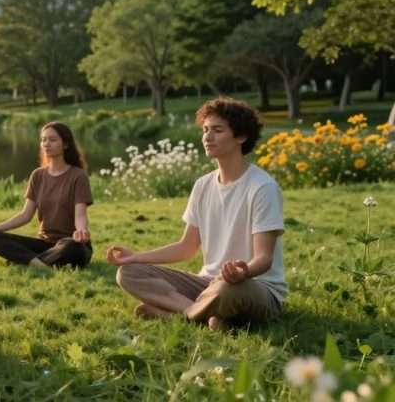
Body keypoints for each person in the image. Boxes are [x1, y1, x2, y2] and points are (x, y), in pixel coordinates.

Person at [107, 97, 287, 330]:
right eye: (205, 130)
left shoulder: (262, 187)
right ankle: (203, 316)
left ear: (241, 137)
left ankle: (185, 314)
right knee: (129, 274)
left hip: (253, 287)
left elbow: (264, 258)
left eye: (217, 130)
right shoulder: (203, 185)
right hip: (207, 284)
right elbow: (186, 248)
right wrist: (134, 258)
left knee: (226, 290)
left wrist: (243, 272)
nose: (207, 137)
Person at [0, 122, 94, 269]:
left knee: (72, 247)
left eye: (52, 140)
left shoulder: (78, 176)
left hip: (70, 243)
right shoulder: (38, 175)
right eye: (43, 139)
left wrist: (82, 231)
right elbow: (25, 215)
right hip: (44, 244)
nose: (46, 144)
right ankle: (39, 262)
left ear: (65, 144)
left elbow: (80, 215)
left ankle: (26, 260)